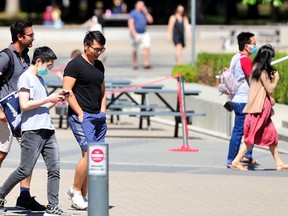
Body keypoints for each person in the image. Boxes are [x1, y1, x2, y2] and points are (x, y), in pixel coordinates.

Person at [0, 46, 71, 215]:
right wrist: (48, 98)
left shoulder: (40, 79)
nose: (49, 69)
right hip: (31, 130)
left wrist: (57, 98)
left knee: (54, 168)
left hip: (47, 128)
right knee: (24, 169)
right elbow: (24, 105)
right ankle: (1, 194)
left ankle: (53, 205)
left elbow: (44, 105)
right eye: (48, 66)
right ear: (38, 61)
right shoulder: (26, 78)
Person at [0, 19, 46, 211]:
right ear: (19, 37)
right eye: (30, 35)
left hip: (22, 115)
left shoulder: (25, 57)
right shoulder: (6, 56)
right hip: (5, 114)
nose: (33, 38)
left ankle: (24, 196)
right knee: (1, 154)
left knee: (29, 155)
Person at [63, 31, 107, 210]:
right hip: (81, 116)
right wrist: (80, 113)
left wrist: (103, 111)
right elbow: (67, 91)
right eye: (96, 49)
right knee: (89, 154)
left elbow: (103, 90)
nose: (98, 52)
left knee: (95, 157)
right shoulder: (74, 65)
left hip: (97, 116)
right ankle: (75, 190)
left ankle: (83, 194)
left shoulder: (99, 66)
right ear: (86, 45)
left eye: (101, 49)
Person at [230, 44, 288, 171]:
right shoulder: (261, 71)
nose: (272, 60)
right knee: (250, 138)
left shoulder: (256, 69)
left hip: (262, 109)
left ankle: (279, 163)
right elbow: (270, 88)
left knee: (272, 136)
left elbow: (261, 89)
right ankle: (235, 161)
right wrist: (276, 79)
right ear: (267, 58)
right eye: (271, 58)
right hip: (259, 109)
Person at [226, 32, 258, 169]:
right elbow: (253, 79)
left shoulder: (235, 57)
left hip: (237, 98)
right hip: (243, 99)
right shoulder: (245, 60)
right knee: (240, 130)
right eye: (253, 43)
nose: (255, 46)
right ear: (246, 46)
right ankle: (232, 159)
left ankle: (246, 155)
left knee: (248, 129)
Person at [128, 1, 153, 70]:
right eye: (141, 5)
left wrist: (146, 12)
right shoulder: (133, 13)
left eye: (143, 5)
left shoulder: (144, 13)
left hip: (144, 33)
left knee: (147, 47)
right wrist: (133, 33)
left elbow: (151, 20)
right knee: (134, 49)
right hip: (136, 33)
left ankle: (146, 63)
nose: (142, 6)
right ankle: (135, 63)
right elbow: (131, 23)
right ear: (136, 6)